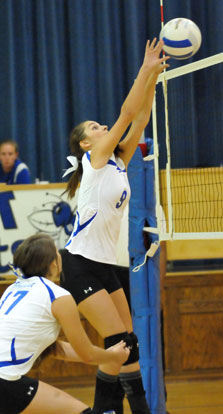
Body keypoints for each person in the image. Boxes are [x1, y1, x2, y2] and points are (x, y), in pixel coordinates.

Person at [61, 38, 170, 414]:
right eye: (95, 126)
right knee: (118, 338)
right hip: (79, 264)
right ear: (84, 143)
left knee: (128, 343)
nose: (102, 126)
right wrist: (144, 66)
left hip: (104, 264)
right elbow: (126, 113)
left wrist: (153, 80)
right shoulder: (95, 160)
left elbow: (139, 118)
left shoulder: (119, 160)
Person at [0, 233, 129, 414]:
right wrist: (113, 357)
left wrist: (108, 354)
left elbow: (54, 349)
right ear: (54, 263)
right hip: (6, 382)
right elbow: (88, 355)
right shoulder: (58, 296)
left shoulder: (12, 289)